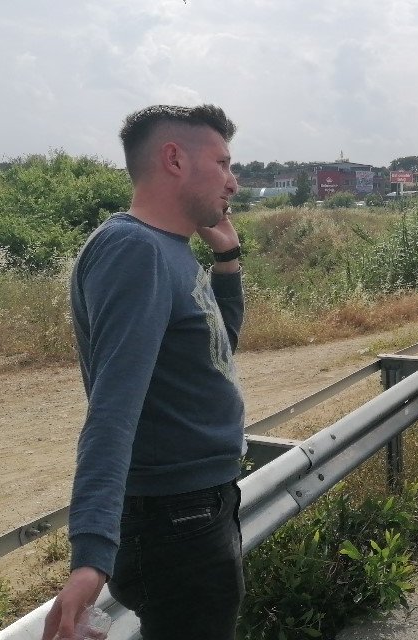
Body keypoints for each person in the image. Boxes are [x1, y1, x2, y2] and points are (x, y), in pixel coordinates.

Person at [42, 104, 245, 640]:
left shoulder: (170, 249)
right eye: (222, 163)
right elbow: (113, 409)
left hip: (200, 504)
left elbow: (215, 356)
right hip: (174, 518)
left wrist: (227, 262)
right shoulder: (135, 251)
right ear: (174, 159)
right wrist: (90, 555)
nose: (234, 181)